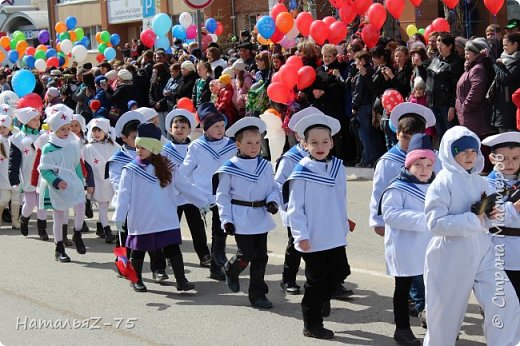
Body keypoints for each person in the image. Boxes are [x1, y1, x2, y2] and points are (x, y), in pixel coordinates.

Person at [424, 126, 520, 345]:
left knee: (504, 302)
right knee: (444, 319)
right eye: (462, 151)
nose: (469, 156)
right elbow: (435, 223)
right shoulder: (441, 183)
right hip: (450, 255)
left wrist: (491, 215)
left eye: (473, 151)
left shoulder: (480, 181)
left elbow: (488, 216)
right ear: (449, 152)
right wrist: (472, 219)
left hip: (482, 249)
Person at [114, 123, 210, 292]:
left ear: (154, 148)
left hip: (165, 217)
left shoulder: (168, 167)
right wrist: (119, 217)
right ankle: (136, 279)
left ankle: (181, 281)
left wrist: (201, 201)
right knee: (138, 250)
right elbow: (123, 195)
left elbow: (185, 186)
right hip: (141, 218)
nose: (138, 150)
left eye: (143, 147)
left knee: (173, 248)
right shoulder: (130, 170)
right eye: (137, 147)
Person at [286, 113, 350, 339]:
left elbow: (341, 199)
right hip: (312, 236)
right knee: (315, 281)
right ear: (304, 144)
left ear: (332, 142)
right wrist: (300, 235)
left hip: (334, 233)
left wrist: (344, 223)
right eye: (314, 142)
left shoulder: (337, 167)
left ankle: (323, 299)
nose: (320, 146)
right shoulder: (301, 171)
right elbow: (295, 208)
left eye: (325, 141)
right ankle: (312, 324)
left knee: (341, 271)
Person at [215, 117, 280, 309]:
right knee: (247, 254)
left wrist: (273, 201)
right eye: (249, 143)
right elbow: (223, 196)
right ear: (238, 143)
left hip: (260, 215)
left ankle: (257, 294)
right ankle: (231, 269)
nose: (254, 147)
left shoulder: (265, 165)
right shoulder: (230, 167)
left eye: (258, 143)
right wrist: (226, 219)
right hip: (240, 217)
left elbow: (272, 188)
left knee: (261, 256)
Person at [380, 133, 435, 345]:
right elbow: (391, 215)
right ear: (409, 164)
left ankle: (435, 323)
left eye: (428, 164)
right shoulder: (397, 186)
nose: (423, 169)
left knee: (433, 288)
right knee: (403, 291)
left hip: (428, 246)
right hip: (404, 247)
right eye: (418, 164)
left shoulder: (435, 185)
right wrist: (425, 220)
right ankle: (402, 329)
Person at [179, 102, 236, 281]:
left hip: (226, 194)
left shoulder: (231, 144)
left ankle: (216, 265)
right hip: (204, 195)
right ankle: (217, 263)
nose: (220, 129)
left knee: (220, 230)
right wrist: (190, 191)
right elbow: (184, 172)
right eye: (216, 127)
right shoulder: (196, 146)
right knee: (215, 229)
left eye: (222, 125)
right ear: (206, 129)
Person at [162, 109, 211, 267]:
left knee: (197, 227)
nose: (180, 130)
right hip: (172, 195)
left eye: (183, 127)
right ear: (170, 129)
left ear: (189, 130)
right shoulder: (165, 150)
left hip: (191, 194)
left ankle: (204, 255)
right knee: (171, 227)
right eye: (176, 127)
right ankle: (170, 255)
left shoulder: (195, 147)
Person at [38, 111, 86, 261]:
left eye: (68, 128)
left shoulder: (73, 144)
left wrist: (81, 183)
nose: (66, 132)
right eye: (62, 129)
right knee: (59, 216)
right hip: (57, 186)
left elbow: (76, 165)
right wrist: (56, 181)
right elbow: (44, 169)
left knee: (80, 206)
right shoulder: (49, 148)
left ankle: (77, 234)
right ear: (54, 130)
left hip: (73, 182)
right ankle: (59, 248)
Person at [482, 132, 520, 300]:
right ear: (492, 158)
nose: (510, 163)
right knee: (503, 302)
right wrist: (515, 208)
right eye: (503, 158)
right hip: (501, 250)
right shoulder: (486, 185)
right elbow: (490, 218)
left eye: (516, 158)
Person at [9, 107, 49, 240]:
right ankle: (24, 219)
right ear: (26, 121)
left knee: (42, 204)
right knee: (30, 203)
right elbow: (13, 161)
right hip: (27, 177)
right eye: (34, 120)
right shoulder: (18, 138)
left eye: (38, 119)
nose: (37, 122)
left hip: (42, 176)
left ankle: (42, 230)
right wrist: (14, 178)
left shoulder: (43, 135)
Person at [83, 118, 118, 243]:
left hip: (109, 180)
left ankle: (100, 227)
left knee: (105, 205)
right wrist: (89, 184)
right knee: (103, 206)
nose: (97, 133)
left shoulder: (113, 146)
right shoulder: (87, 148)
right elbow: (86, 167)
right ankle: (107, 231)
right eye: (94, 130)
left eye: (99, 130)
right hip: (96, 181)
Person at [425, 33, 464, 138]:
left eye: (441, 45)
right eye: (438, 44)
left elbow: (456, 86)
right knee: (440, 133)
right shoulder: (436, 59)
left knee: (450, 134)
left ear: (450, 46)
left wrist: (452, 106)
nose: (438, 47)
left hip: (446, 104)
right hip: (433, 102)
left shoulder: (456, 62)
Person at [455, 38, 496, 139]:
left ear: (476, 53)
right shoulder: (472, 67)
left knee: (480, 149)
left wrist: (465, 106)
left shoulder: (477, 69)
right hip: (470, 118)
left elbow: (477, 91)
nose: (465, 56)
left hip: (476, 118)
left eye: (468, 53)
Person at [492, 32, 520, 132]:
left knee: (513, 144)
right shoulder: (503, 58)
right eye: (502, 45)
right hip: (502, 108)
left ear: (515, 45)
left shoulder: (517, 62)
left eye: (506, 45)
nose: (503, 48)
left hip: (512, 108)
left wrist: (496, 65)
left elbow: (505, 77)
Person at [0, 114, 20, 229]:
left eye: (4, 127)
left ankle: (15, 221)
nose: (2, 130)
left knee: (16, 197)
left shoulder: (15, 139)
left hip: (15, 173)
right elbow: (4, 156)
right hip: (3, 174)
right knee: (4, 198)